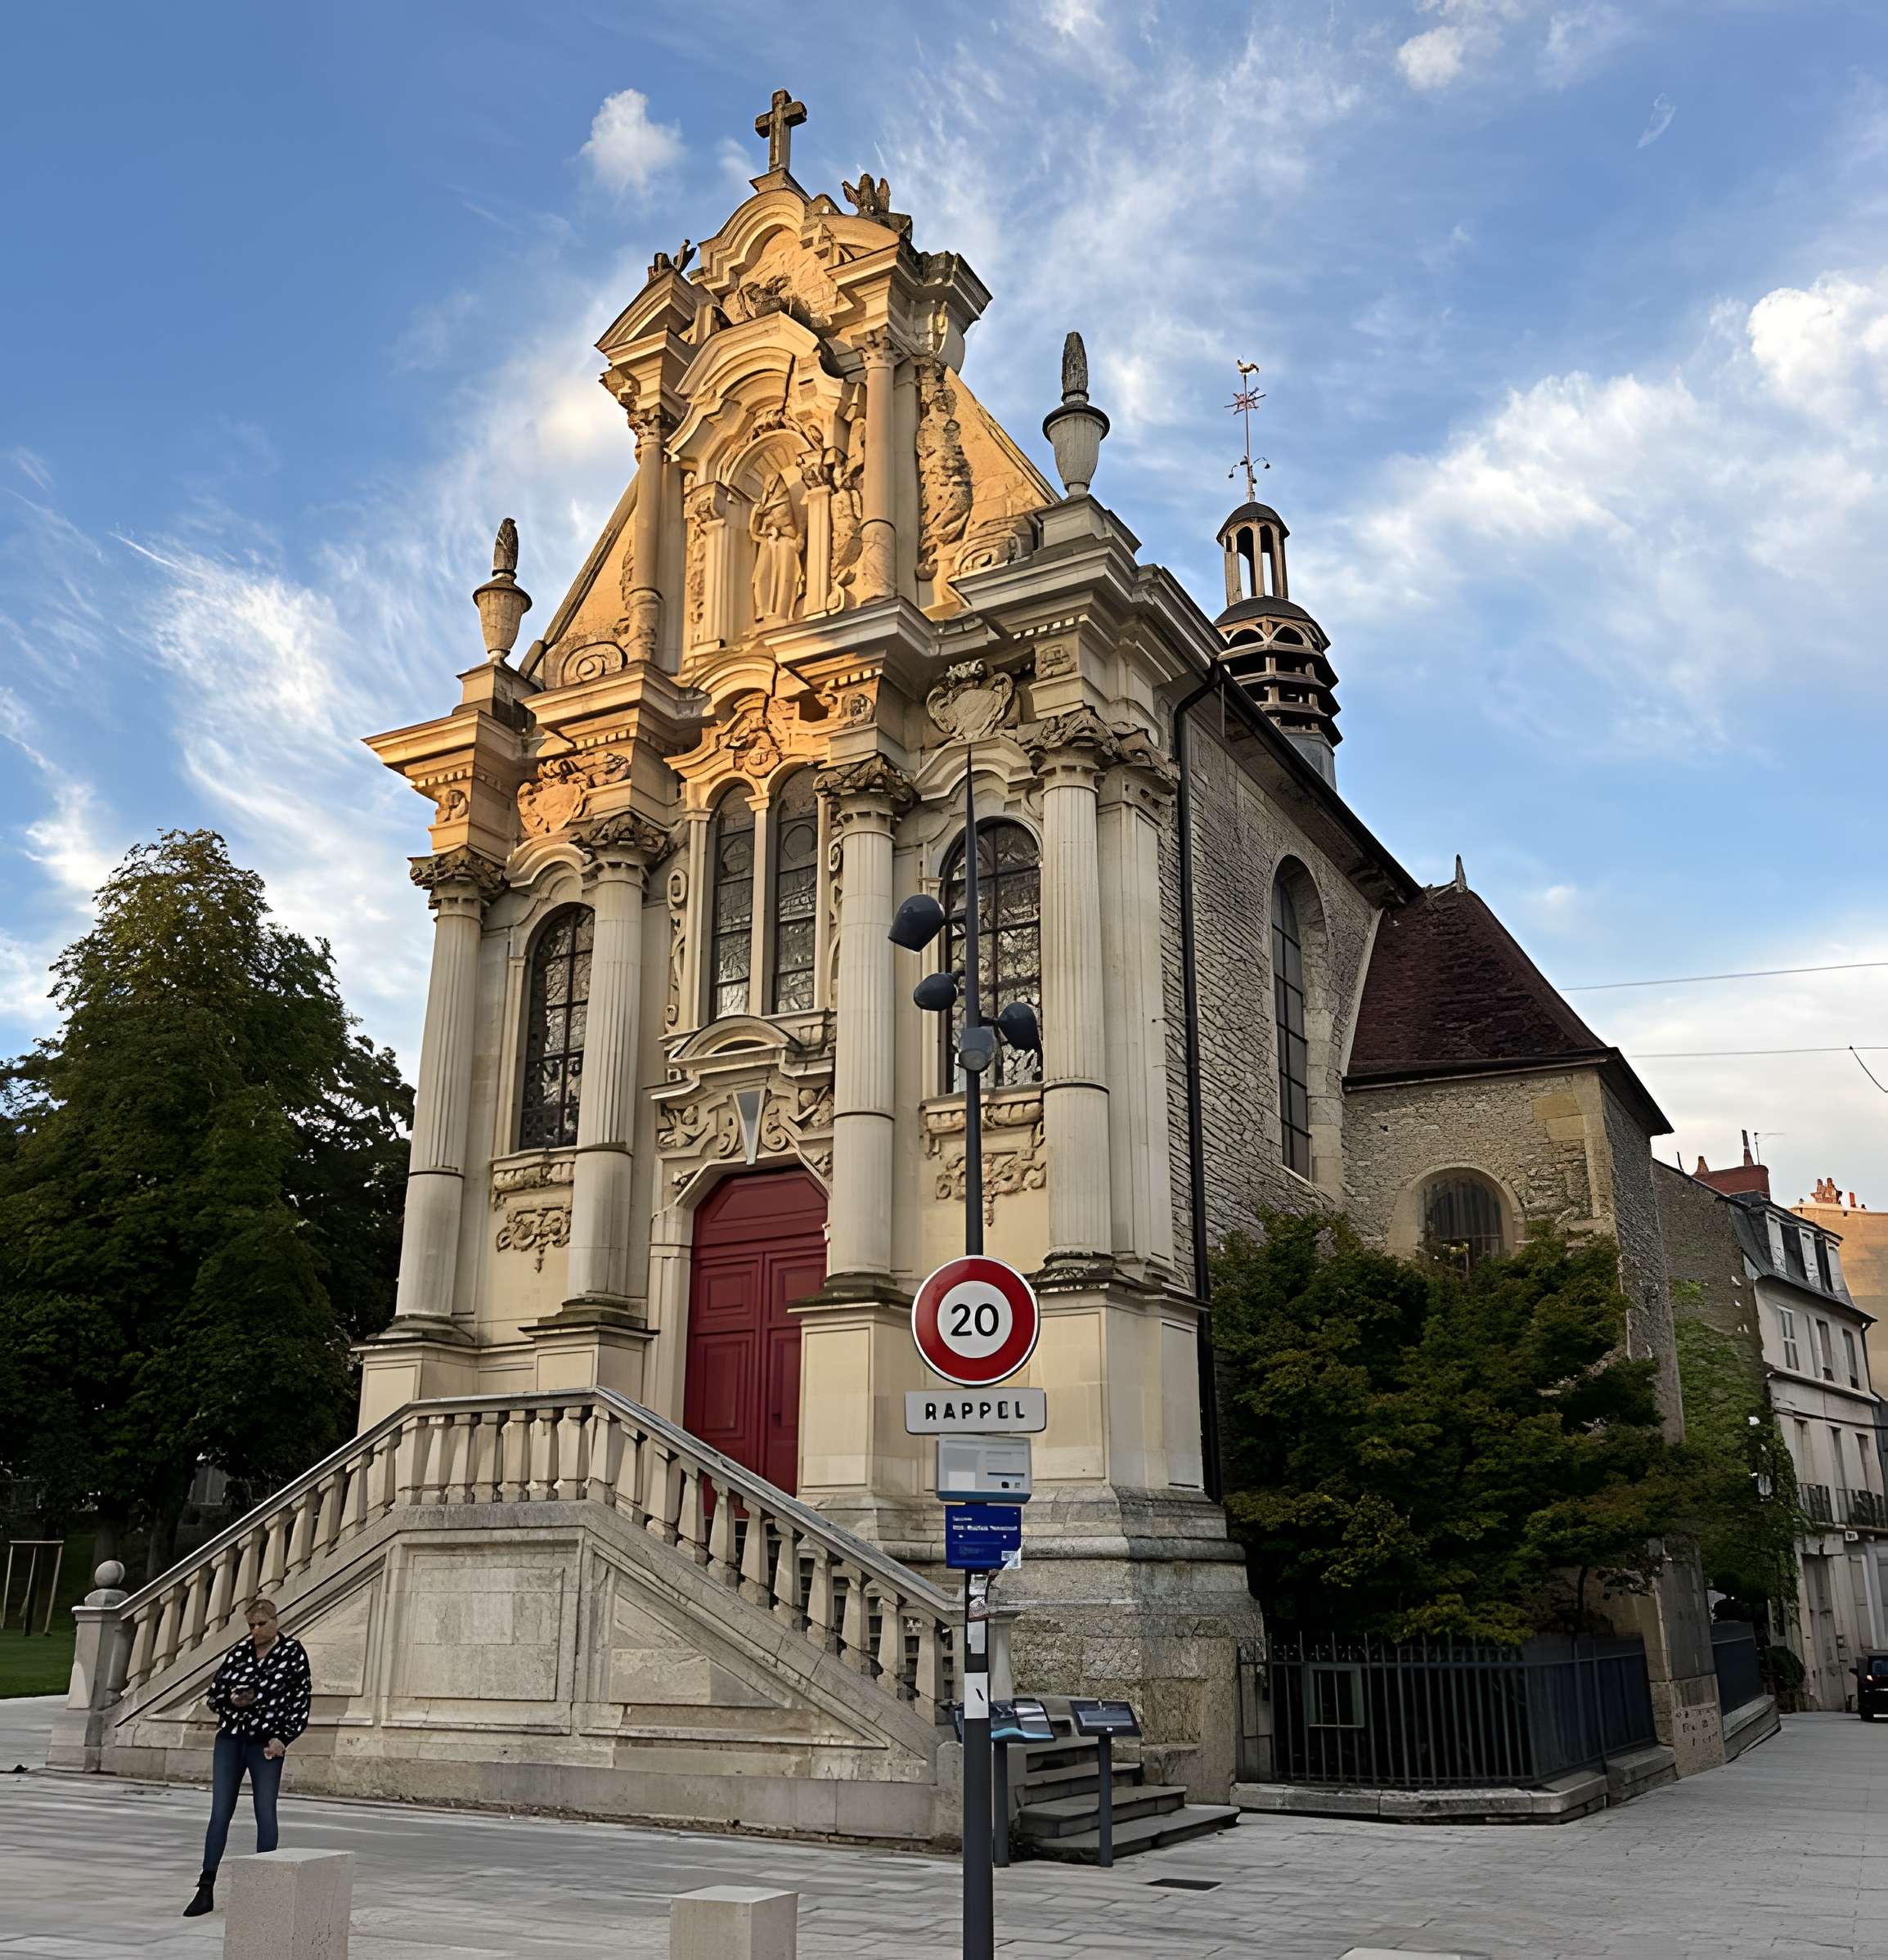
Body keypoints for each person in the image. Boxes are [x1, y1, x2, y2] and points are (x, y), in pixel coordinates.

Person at [181, 1596, 312, 1917]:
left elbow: (300, 1700)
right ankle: (206, 1885)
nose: (255, 1631)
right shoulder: (239, 1652)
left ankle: (265, 1886)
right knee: (219, 1811)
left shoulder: (292, 1653)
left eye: (261, 1624)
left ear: (275, 1621)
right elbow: (214, 1696)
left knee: (265, 1810)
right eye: (251, 1625)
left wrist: (284, 1737)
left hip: (266, 1742)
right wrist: (234, 1699)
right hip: (231, 1738)